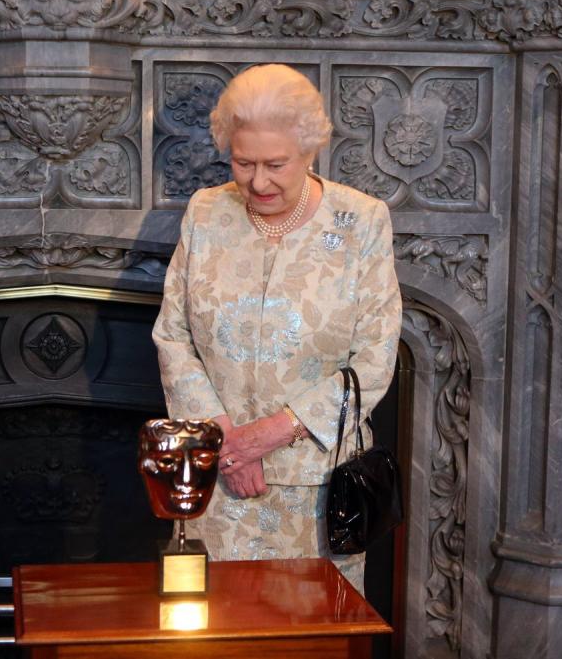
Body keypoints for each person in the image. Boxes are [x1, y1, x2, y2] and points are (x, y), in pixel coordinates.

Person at [151, 63, 401, 592]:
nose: (257, 181)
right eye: (243, 163)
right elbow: (173, 335)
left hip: (320, 486)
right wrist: (228, 444)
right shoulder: (205, 212)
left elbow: (376, 357)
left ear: (310, 151)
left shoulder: (361, 222)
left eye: (276, 164)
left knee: (311, 637)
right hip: (217, 481)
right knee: (213, 633)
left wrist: (267, 436)